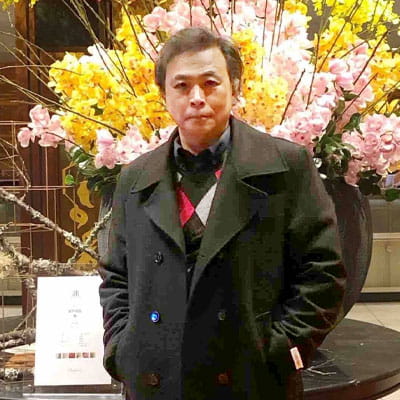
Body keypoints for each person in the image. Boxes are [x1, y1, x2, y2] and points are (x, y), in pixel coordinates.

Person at [99, 27, 346, 400]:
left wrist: (281, 351)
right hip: (157, 381)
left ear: (235, 88)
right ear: (164, 95)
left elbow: (322, 274)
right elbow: (116, 276)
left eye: (210, 83)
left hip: (253, 380)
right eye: (182, 86)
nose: (196, 97)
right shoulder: (135, 177)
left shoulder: (286, 166)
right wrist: (122, 349)